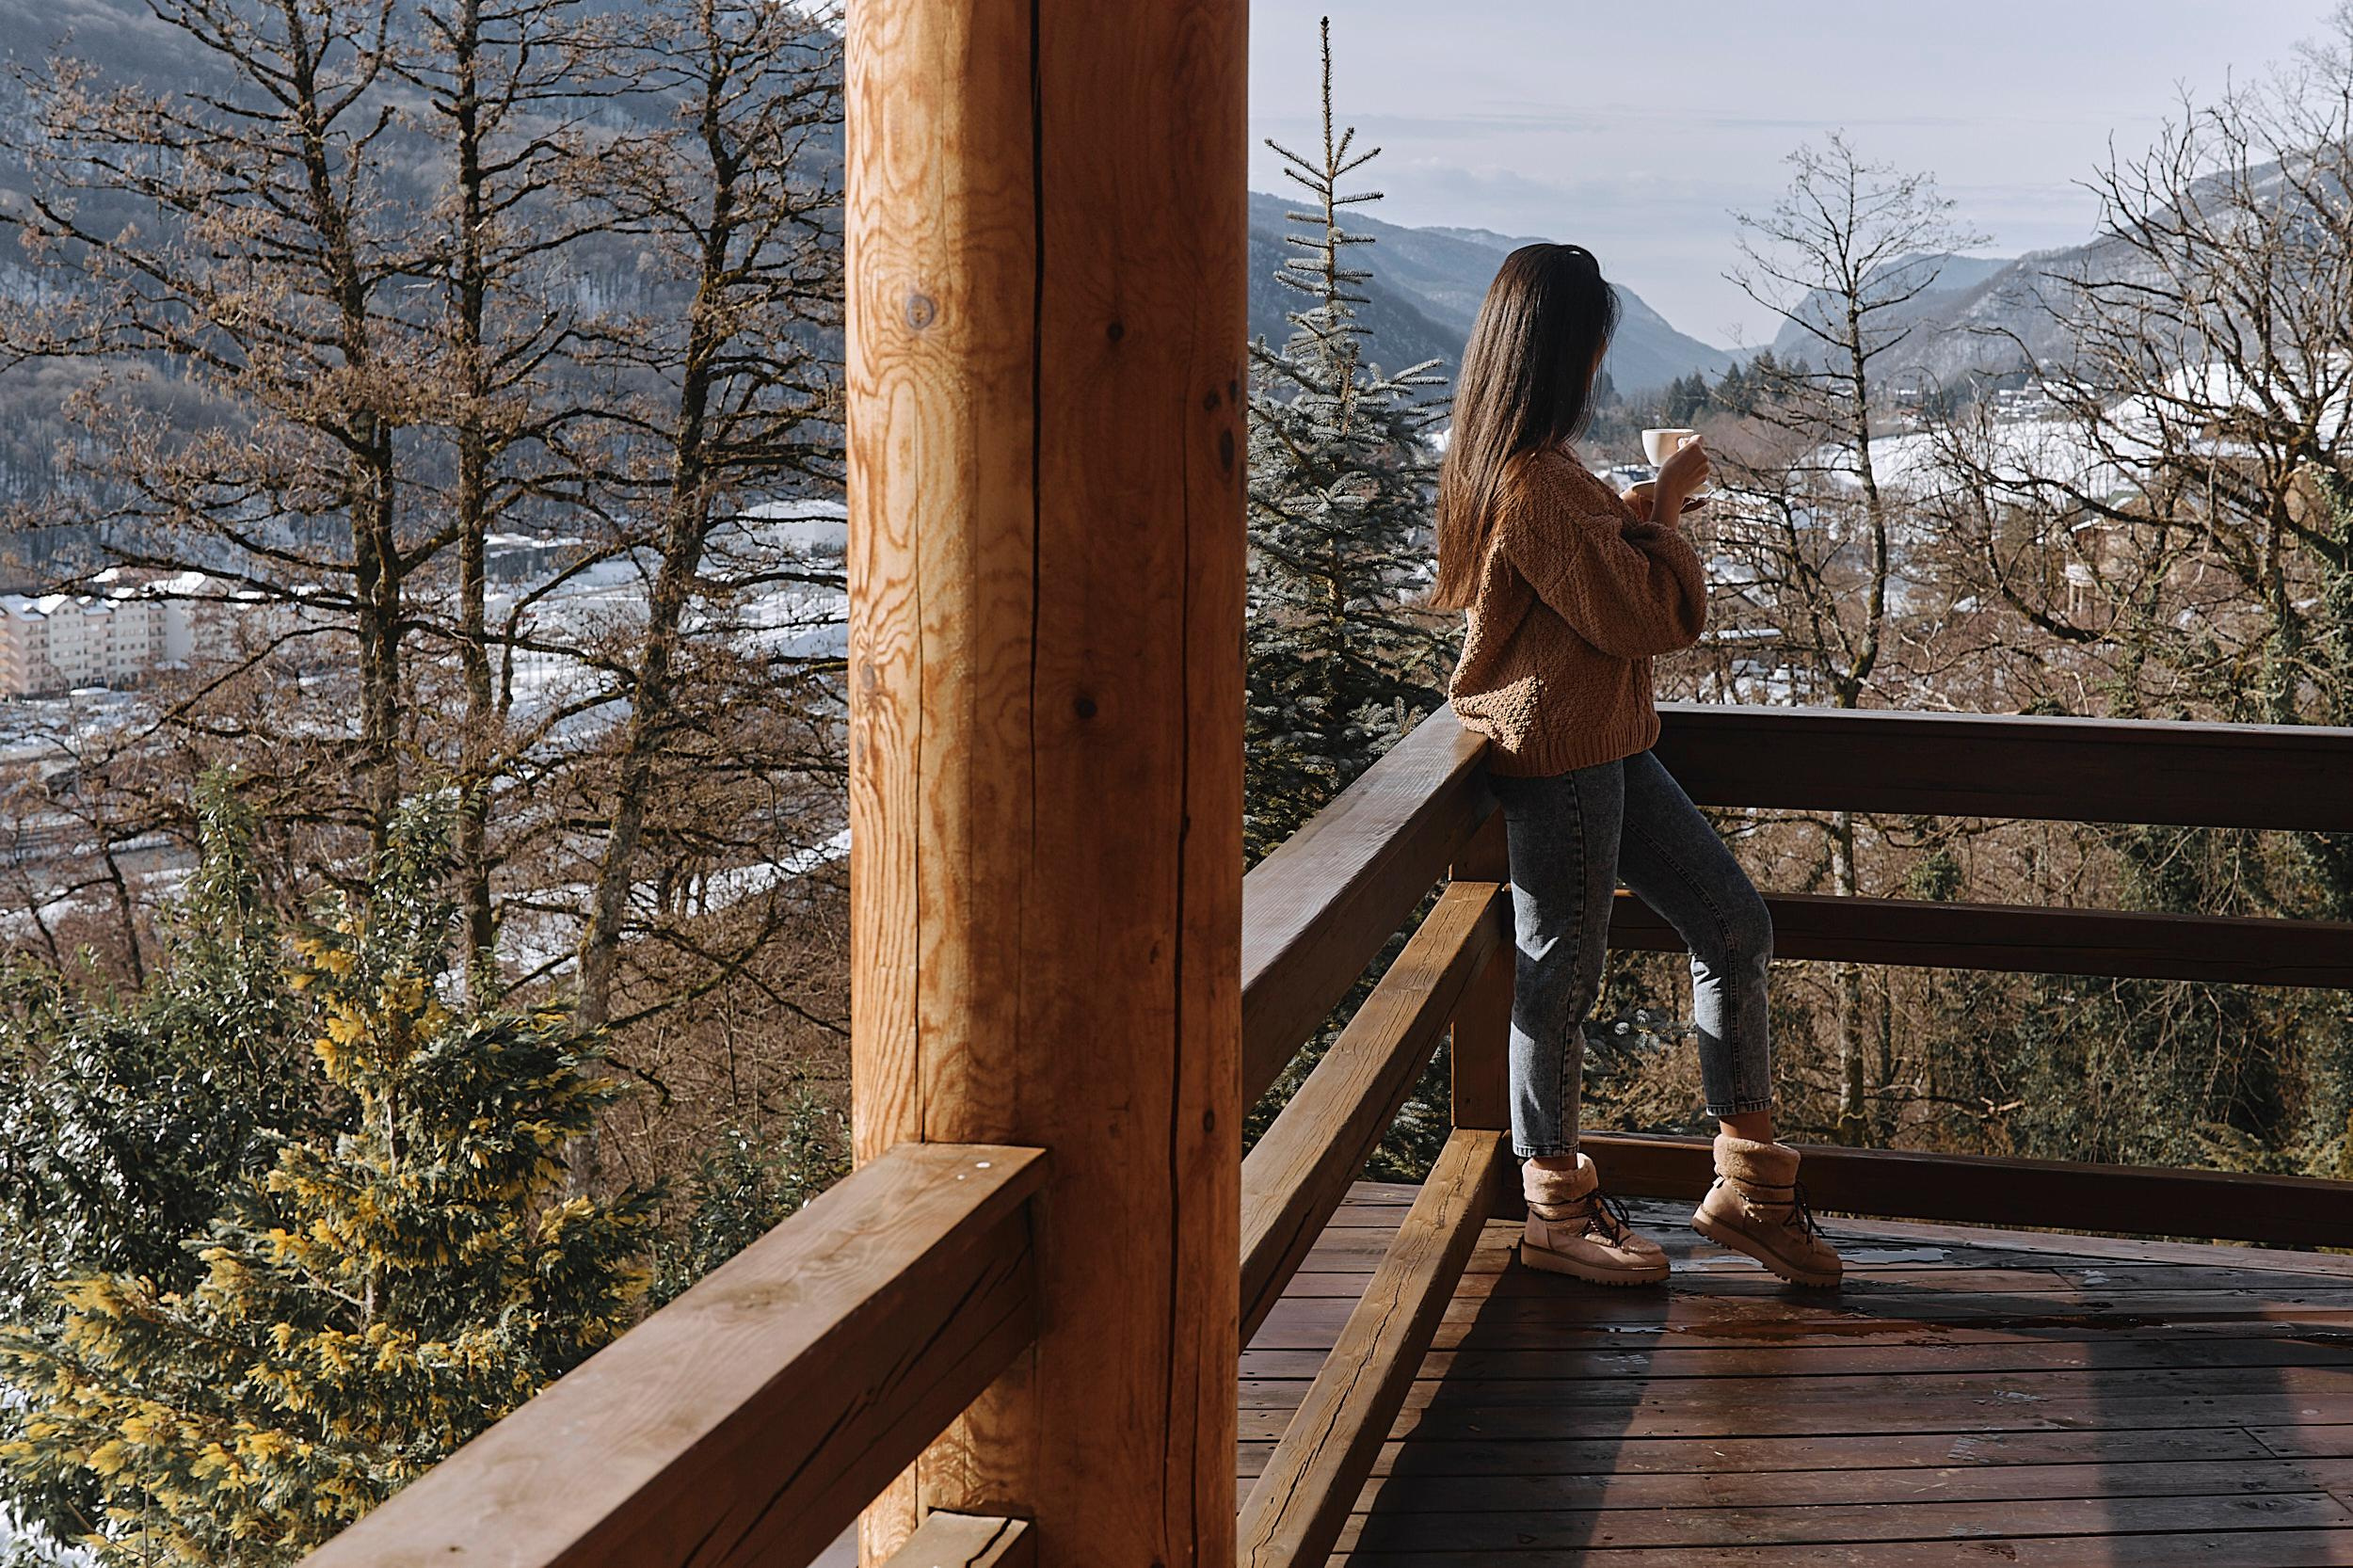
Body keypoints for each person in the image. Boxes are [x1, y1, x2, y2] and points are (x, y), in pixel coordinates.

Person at [1427, 242, 1841, 1289]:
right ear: (1562, 351)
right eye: (1595, 340)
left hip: (1604, 743)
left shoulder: (1538, 466)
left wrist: (1646, 511)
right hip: (1561, 756)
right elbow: (1652, 615)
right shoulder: (1532, 481)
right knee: (1561, 976)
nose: (1603, 359)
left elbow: (1600, 587)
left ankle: (1748, 1190)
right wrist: (1665, 507)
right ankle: (1555, 1208)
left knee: (1732, 924)